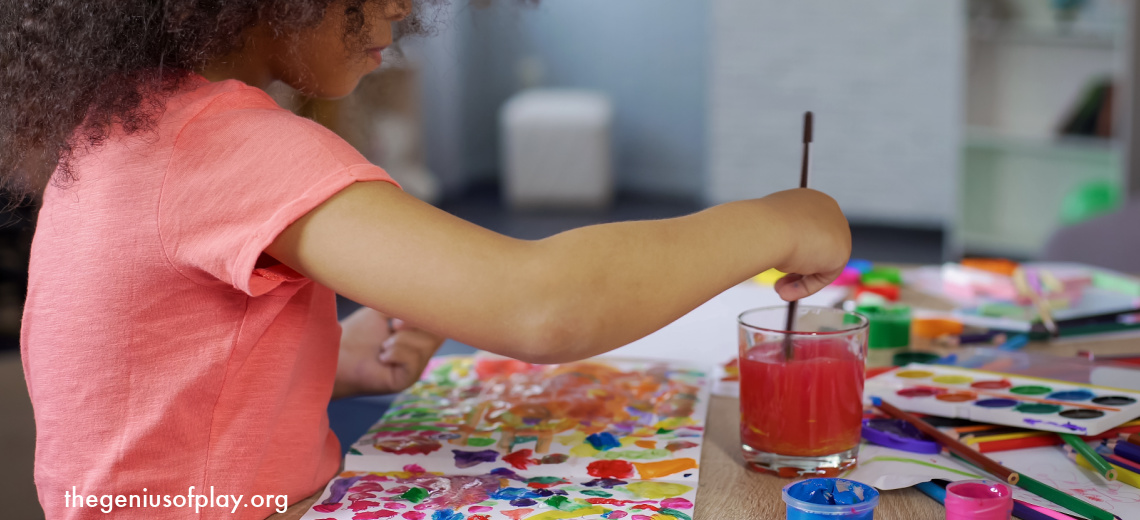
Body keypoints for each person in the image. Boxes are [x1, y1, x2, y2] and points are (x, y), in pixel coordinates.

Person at [2, 1, 851, 518]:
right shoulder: (221, 144)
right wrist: (774, 222)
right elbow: (540, 305)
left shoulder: (127, 126)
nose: (406, 18)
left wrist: (317, 365)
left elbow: (134, 386)